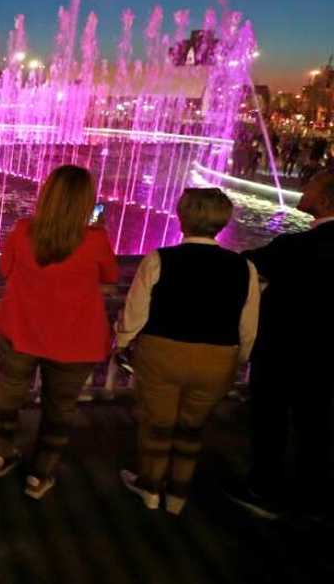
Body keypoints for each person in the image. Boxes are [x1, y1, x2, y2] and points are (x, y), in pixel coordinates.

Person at [115, 188, 260, 515]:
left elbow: (136, 312)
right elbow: (248, 323)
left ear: (183, 217)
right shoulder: (243, 267)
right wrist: (239, 358)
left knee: (158, 424)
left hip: (163, 353)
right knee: (193, 427)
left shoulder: (160, 259)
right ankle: (178, 495)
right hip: (217, 358)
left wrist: (122, 342)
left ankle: (150, 487)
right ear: (222, 221)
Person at [0, 165, 118, 500]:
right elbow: (111, 276)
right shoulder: (95, 240)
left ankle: (1, 453)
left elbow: (5, 269)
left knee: (9, 393)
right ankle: (40, 474)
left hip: (22, 329)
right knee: (60, 407)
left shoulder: (23, 230)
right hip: (75, 340)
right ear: (85, 202)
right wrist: (97, 232)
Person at [225, 170, 334, 521]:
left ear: (326, 198)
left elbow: (242, 265)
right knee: (317, 425)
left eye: (312, 184)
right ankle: (314, 496)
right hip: (326, 358)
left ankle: (263, 489)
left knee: (270, 421)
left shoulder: (294, 246)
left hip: (283, 352)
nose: (304, 188)